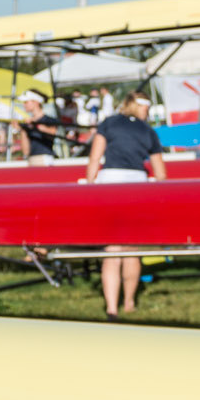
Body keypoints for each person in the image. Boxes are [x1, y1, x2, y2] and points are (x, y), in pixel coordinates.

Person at [84, 90, 166, 317]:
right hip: (137, 186)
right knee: (131, 249)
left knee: (112, 249)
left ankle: (111, 308)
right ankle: (129, 302)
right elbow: (160, 173)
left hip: (110, 184)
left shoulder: (109, 124)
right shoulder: (148, 131)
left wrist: (90, 188)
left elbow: (94, 159)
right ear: (140, 107)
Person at [10, 91, 60, 164]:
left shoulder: (49, 120)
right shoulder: (27, 123)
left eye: (26, 102)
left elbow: (52, 133)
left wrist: (35, 125)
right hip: (31, 159)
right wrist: (22, 130)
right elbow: (26, 151)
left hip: (44, 158)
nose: (24, 105)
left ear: (36, 102)